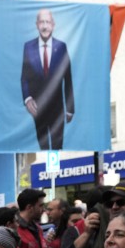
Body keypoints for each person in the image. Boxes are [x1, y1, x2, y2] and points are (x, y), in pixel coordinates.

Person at [21, 8, 74, 150]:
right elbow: (24, 77)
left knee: (57, 149)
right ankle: (45, 171)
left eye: (47, 22)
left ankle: (54, 173)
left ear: (53, 25)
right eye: (42, 22)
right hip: (38, 110)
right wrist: (27, 98)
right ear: (36, 24)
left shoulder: (61, 47)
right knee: (43, 148)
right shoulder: (28, 47)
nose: (45, 26)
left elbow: (68, 79)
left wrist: (70, 109)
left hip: (57, 110)